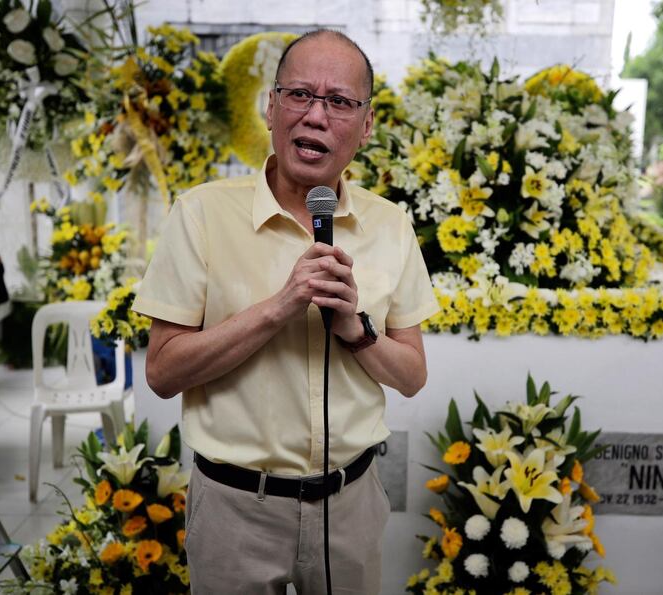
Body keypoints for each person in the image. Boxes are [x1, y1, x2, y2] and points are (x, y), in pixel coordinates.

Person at [132, 29, 438, 594]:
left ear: (366, 125)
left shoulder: (391, 224)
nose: (316, 116)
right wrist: (279, 308)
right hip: (234, 508)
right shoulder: (201, 215)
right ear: (270, 108)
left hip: (351, 503)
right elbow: (162, 373)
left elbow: (413, 377)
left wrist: (355, 328)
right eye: (299, 94)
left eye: (340, 102)